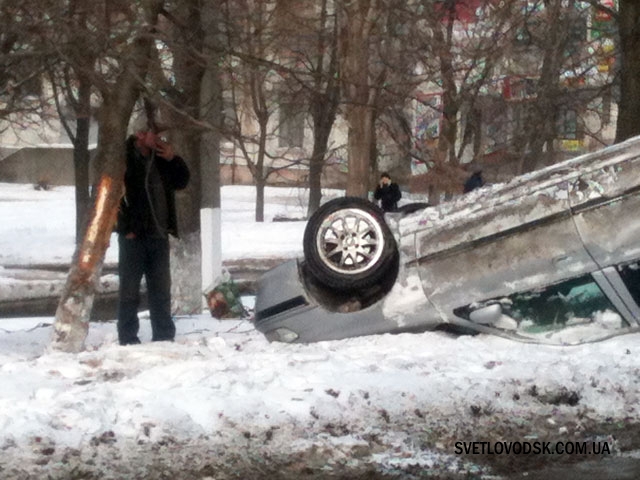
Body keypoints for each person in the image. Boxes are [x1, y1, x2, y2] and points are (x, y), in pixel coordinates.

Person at [116, 127, 190, 345]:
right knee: (129, 290)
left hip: (158, 235)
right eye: (153, 134)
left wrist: (173, 159)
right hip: (134, 237)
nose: (158, 138)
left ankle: (164, 335)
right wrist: (125, 227)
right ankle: (128, 337)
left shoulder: (161, 160)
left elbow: (182, 181)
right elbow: (113, 197)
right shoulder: (124, 159)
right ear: (140, 135)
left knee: (160, 289)